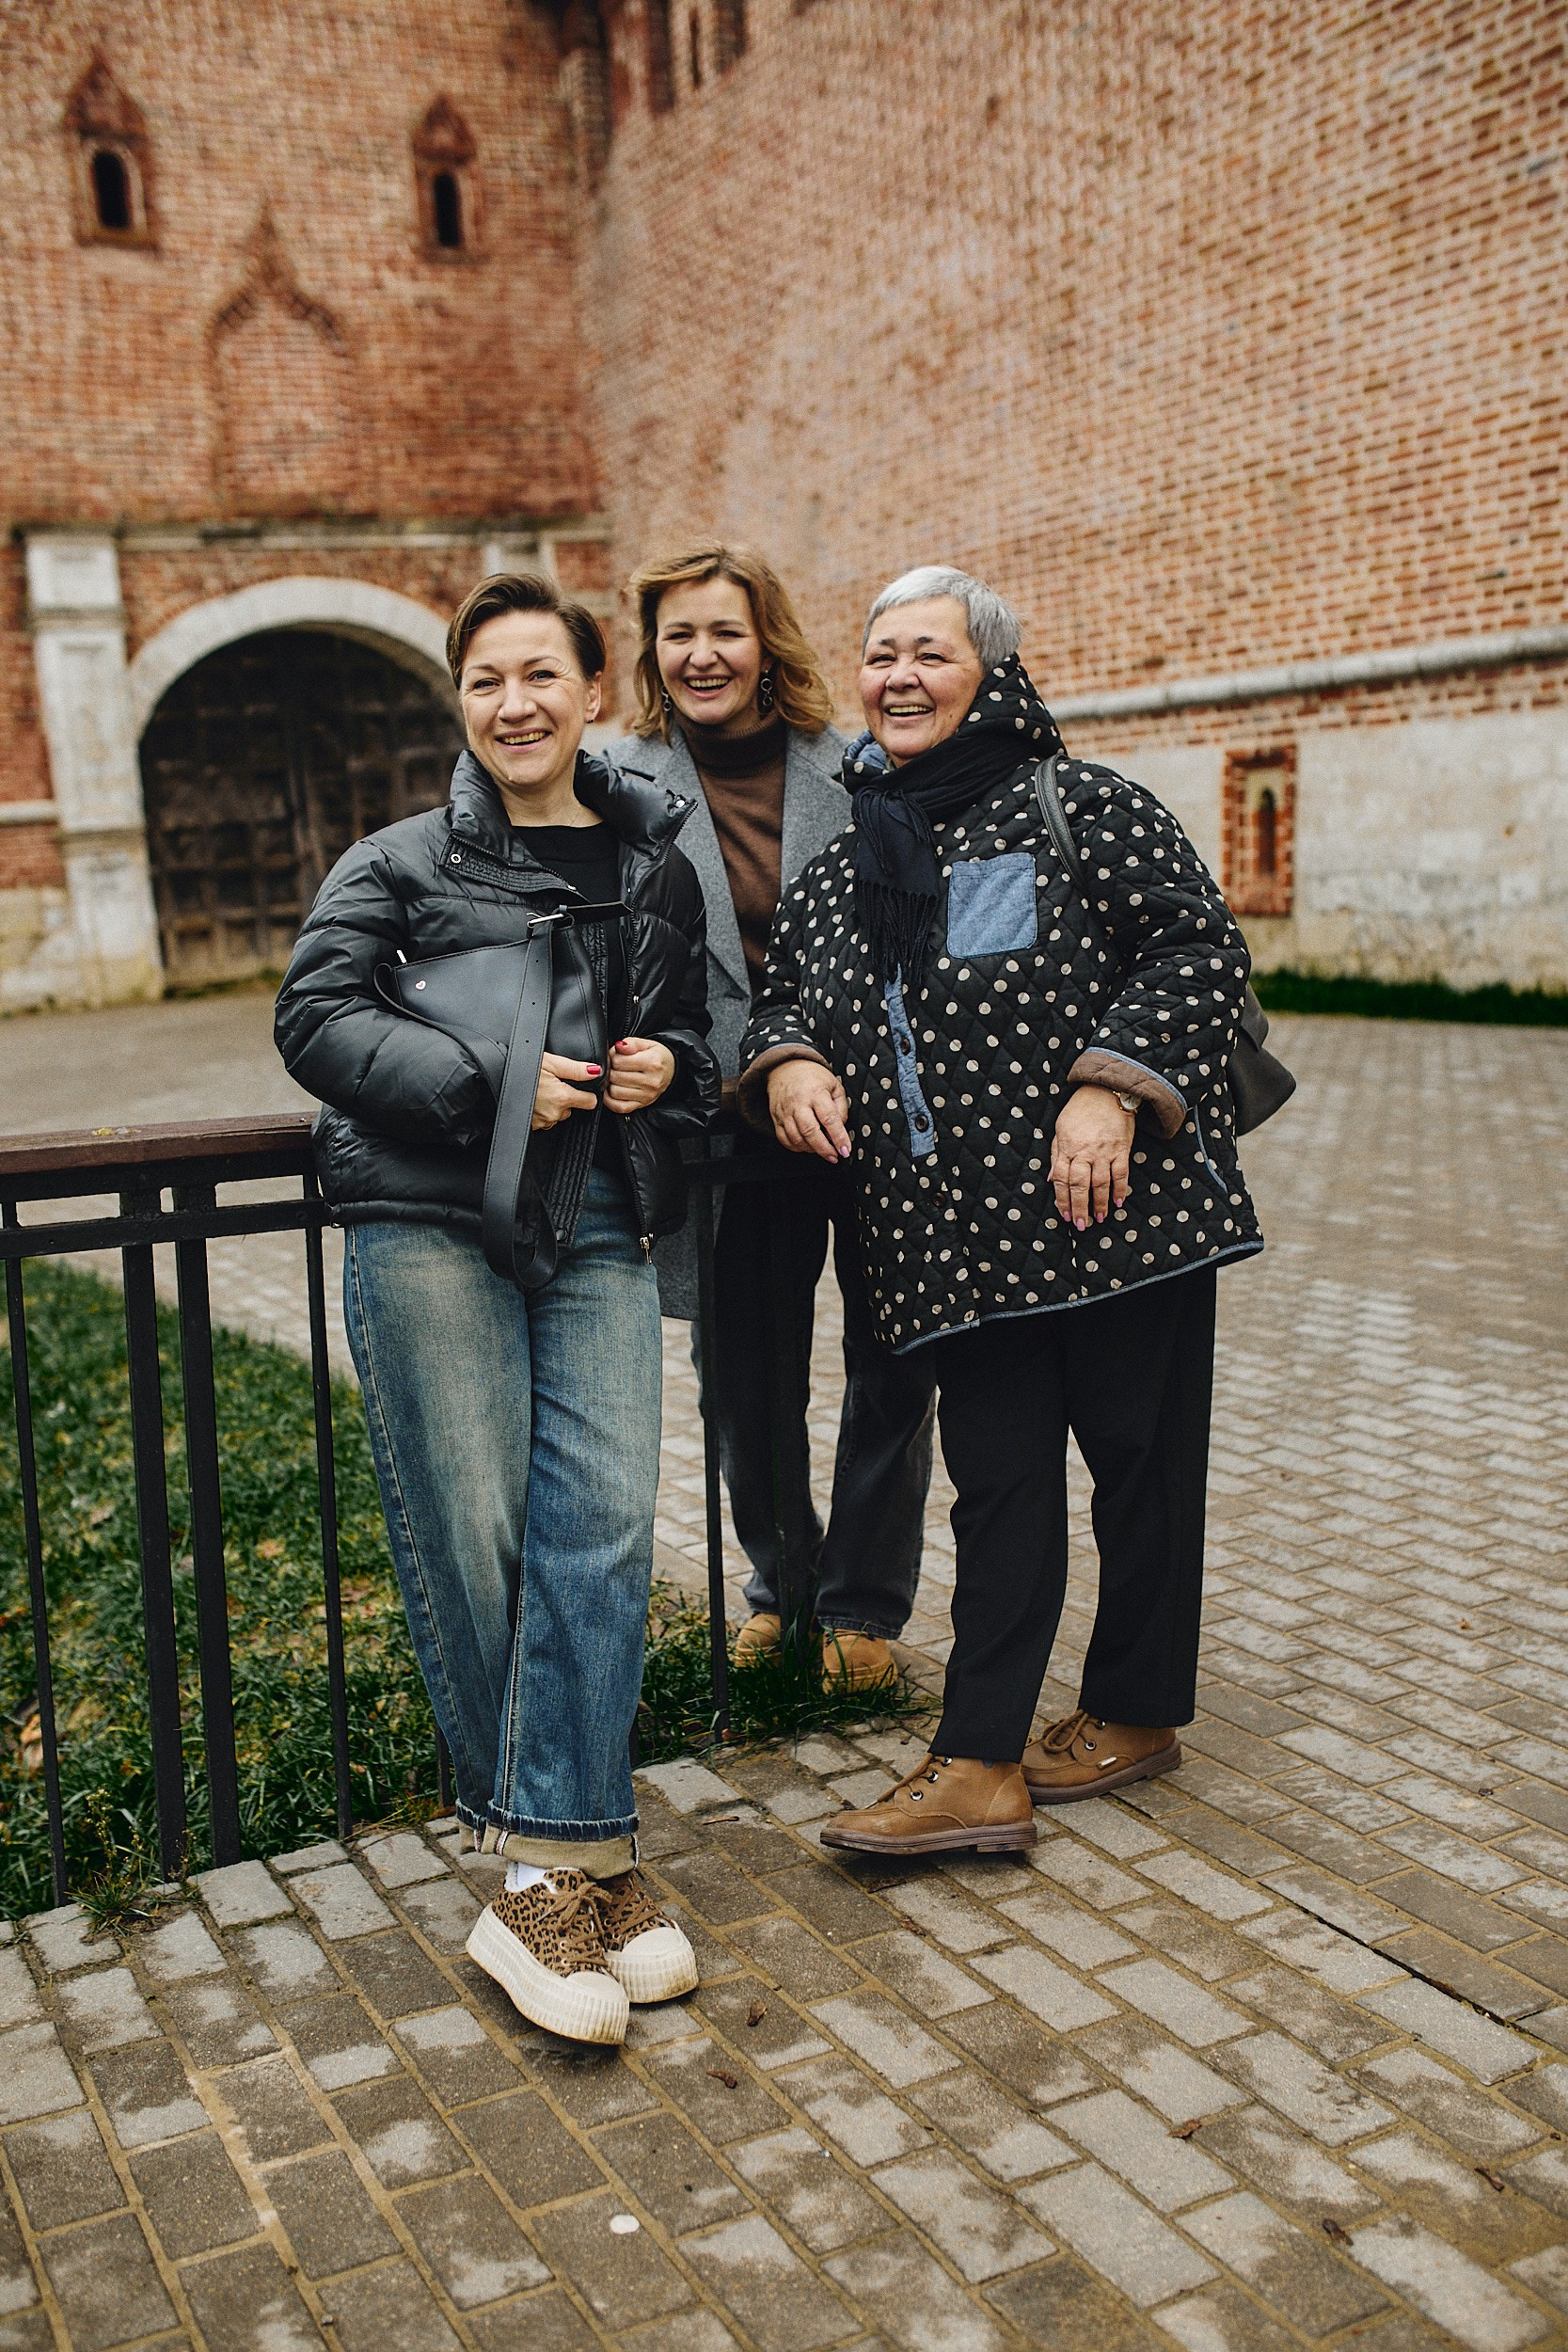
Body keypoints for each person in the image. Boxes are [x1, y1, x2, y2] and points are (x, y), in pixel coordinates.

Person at [737, 565, 1262, 1853]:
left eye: (926, 652)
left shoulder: (1078, 805)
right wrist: (791, 1057)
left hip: (1112, 1217)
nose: (895, 678)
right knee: (999, 1492)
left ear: (992, 675)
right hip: (950, 1246)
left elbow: (1196, 947)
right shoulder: (846, 856)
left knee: (1141, 1477)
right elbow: (783, 995)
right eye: (878, 656)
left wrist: (1109, 1090)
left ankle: (1134, 1710)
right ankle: (976, 1762)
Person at [275, 572, 719, 2042]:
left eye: (541, 675)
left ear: (593, 692)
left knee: (596, 1527)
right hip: (429, 1216)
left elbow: (686, 1031)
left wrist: (668, 1070)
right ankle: (552, 1863)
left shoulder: (654, 855)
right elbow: (315, 1018)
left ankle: (564, 1850)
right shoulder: (397, 859)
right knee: (475, 1522)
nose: (514, 705)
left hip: (601, 1218)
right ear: (459, 703)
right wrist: (486, 1092)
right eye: (484, 682)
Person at [609, 543, 937, 1691]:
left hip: (866, 1116)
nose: (702, 655)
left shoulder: (851, 770)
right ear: (651, 650)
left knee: (894, 1357)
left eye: (725, 632)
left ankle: (859, 1608)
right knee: (745, 1374)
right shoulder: (617, 779)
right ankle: (780, 1586)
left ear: (766, 644)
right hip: (722, 1124)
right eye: (678, 634)